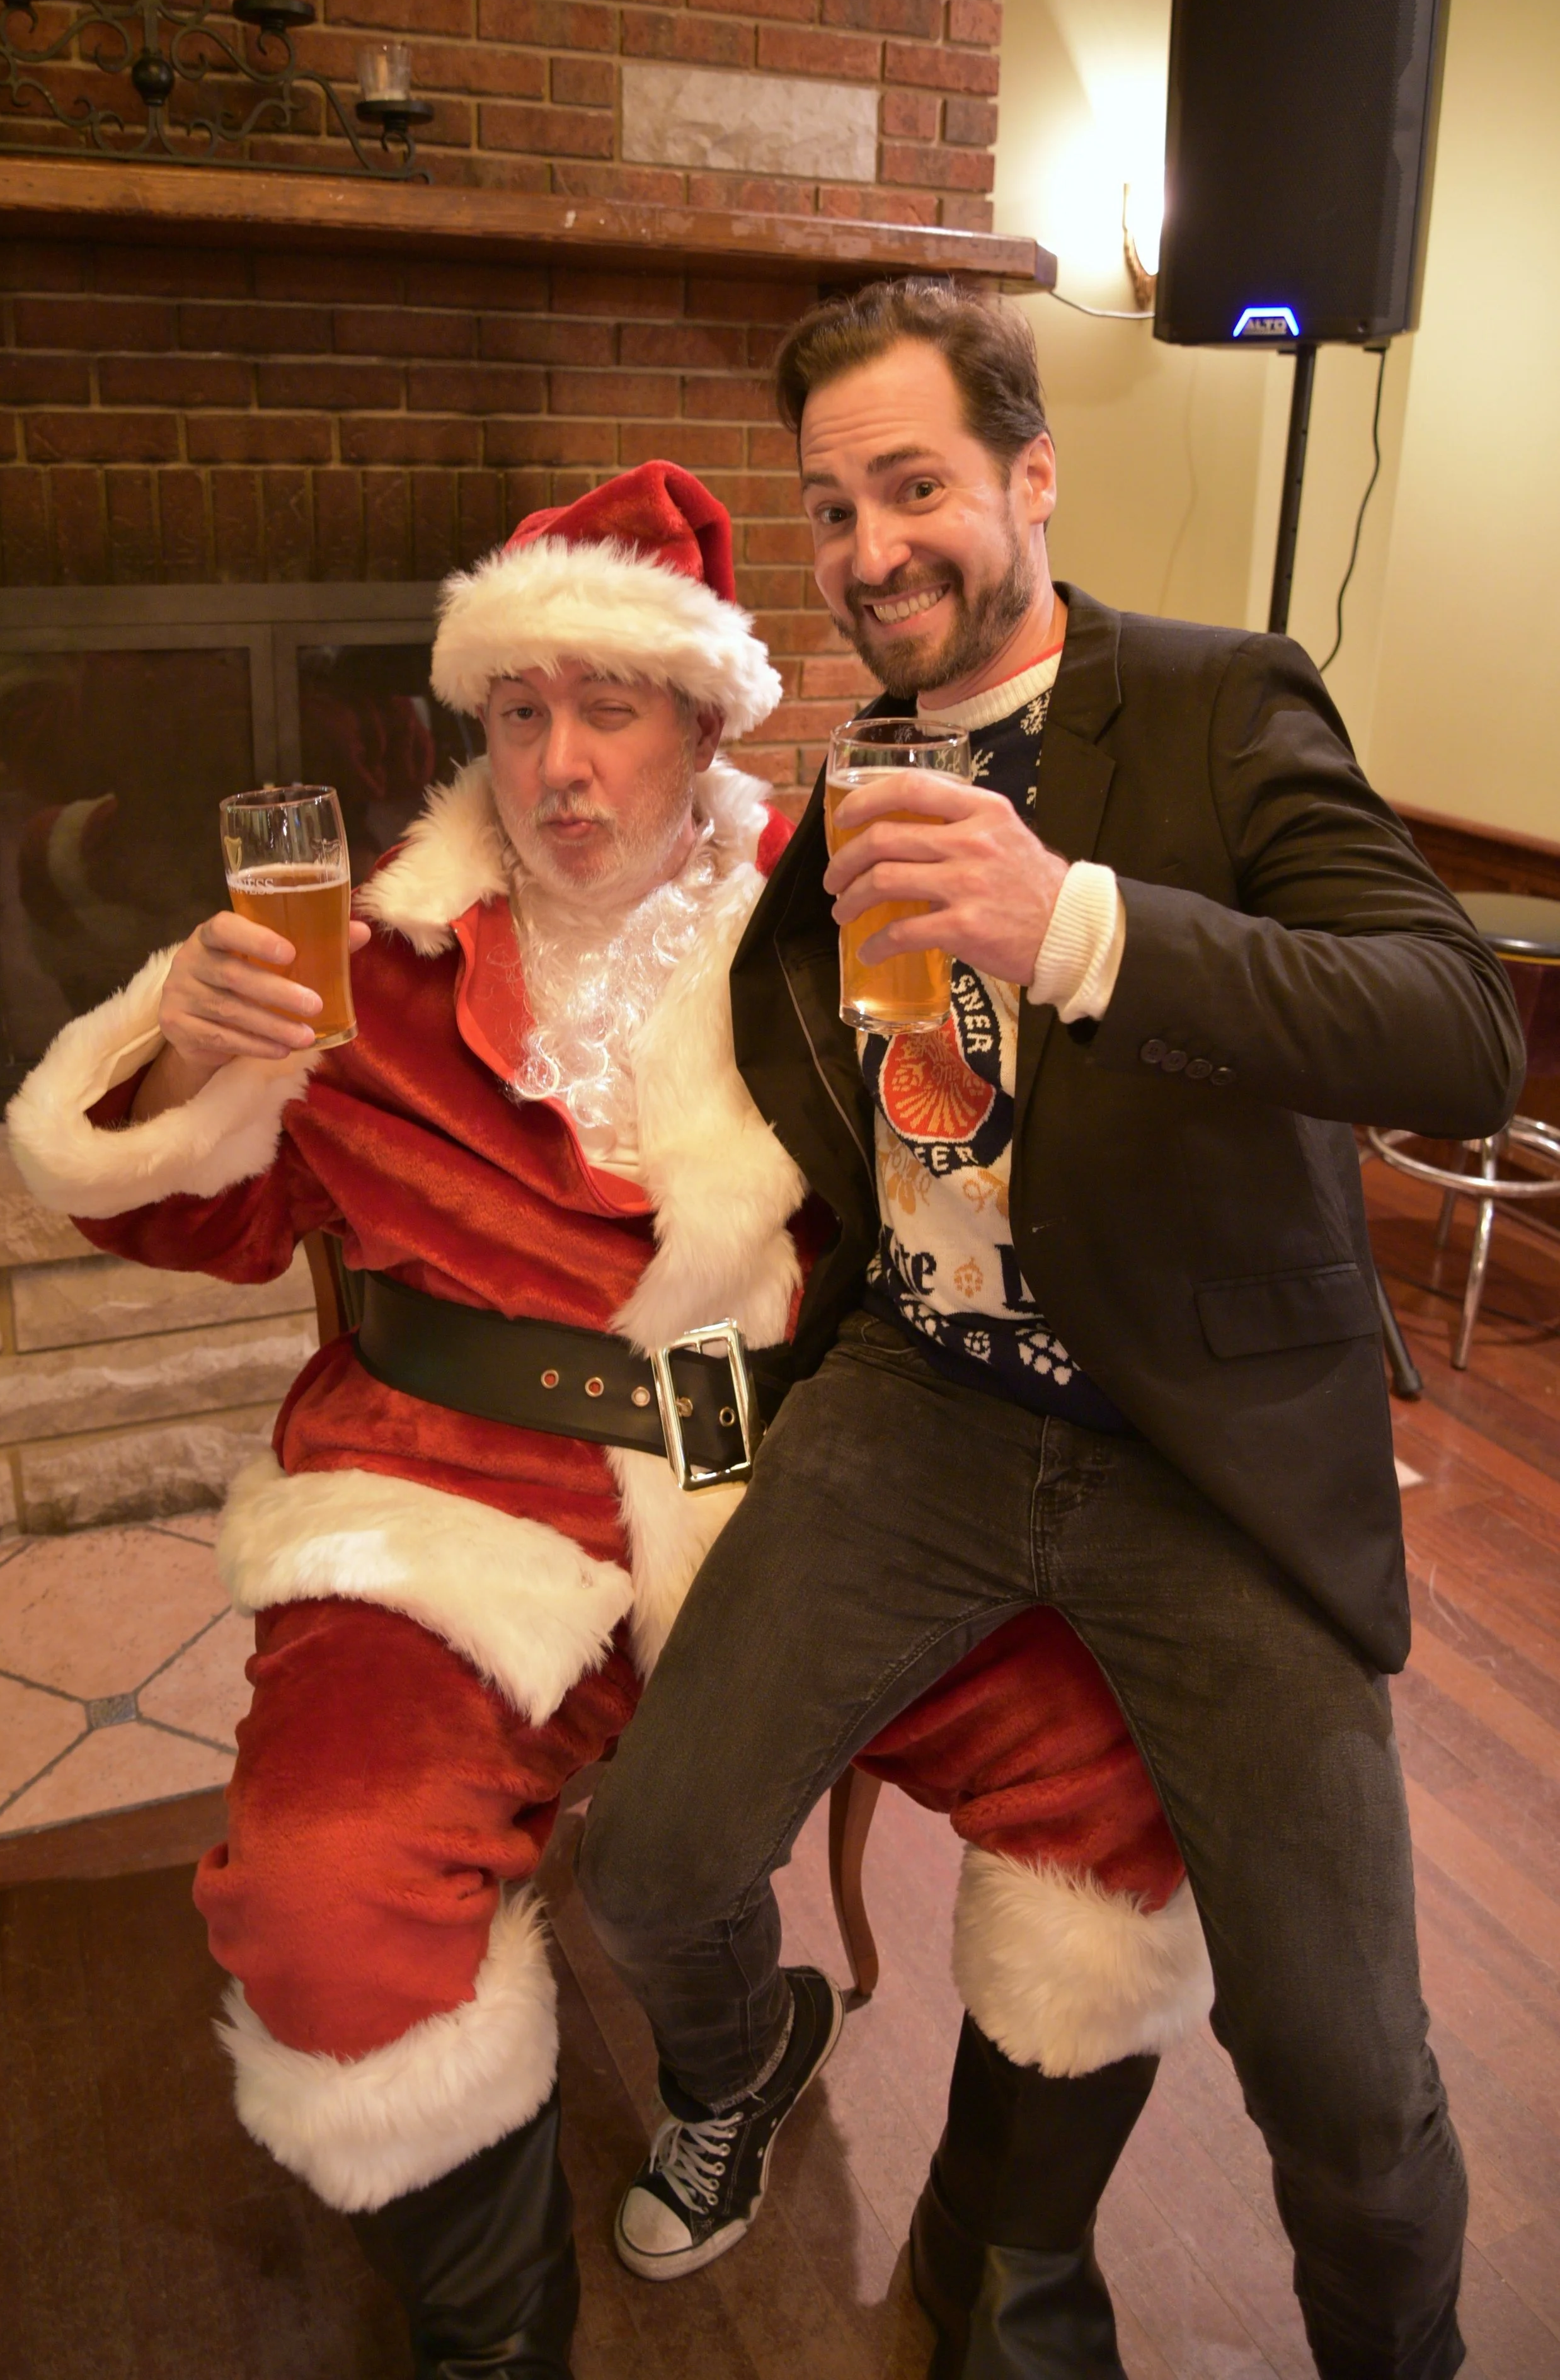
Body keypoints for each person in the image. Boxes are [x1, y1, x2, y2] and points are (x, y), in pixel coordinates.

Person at [8, 459, 1204, 2380]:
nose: (557, 762)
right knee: (326, 1890)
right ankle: (495, 2344)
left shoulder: (839, 921)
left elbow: (992, 1204)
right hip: (448, 1515)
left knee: (1122, 1775)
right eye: (515, 707)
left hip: (806, 1505)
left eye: (610, 705)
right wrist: (187, 1055)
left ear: (709, 716)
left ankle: (1004, 2287)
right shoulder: (367, 961)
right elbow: (190, 1213)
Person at [575, 289, 1526, 2379]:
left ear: (1028, 476)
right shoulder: (852, 784)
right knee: (640, 1864)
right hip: (919, 1401)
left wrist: (1072, 924)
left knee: (1347, 2085)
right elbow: (818, 1079)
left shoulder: (1205, 705)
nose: (868, 544)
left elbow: (1459, 1027)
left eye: (911, 483)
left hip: (1191, 1439)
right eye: (827, 507)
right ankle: (754, 2058)